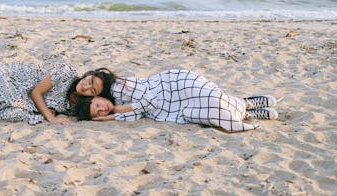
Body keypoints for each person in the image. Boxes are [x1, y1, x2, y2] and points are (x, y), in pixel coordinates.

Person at [76, 69, 279, 132]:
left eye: (97, 105)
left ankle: (245, 103)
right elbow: (138, 112)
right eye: (98, 113)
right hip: (170, 106)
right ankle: (247, 112)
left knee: (209, 96)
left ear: (98, 95)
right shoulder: (114, 108)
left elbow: (149, 101)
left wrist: (119, 109)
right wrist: (109, 118)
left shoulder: (122, 85)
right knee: (202, 114)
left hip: (170, 85)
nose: (102, 109)